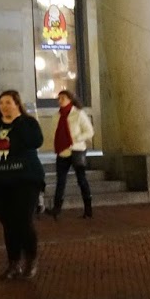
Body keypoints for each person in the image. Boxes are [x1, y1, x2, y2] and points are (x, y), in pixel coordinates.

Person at [0, 90, 46, 280]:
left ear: (17, 103)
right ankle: (13, 263)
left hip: (25, 180)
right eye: (1, 103)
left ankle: (31, 259)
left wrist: (18, 121)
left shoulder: (28, 123)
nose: (4, 106)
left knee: (23, 220)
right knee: (8, 223)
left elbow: (36, 141)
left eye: (8, 102)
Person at [46, 89, 94, 219]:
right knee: (60, 180)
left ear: (70, 99)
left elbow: (89, 131)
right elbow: (54, 132)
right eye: (59, 98)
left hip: (77, 150)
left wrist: (75, 139)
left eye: (63, 98)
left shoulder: (78, 114)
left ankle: (88, 209)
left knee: (81, 179)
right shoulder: (57, 115)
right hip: (62, 151)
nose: (60, 100)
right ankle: (57, 208)